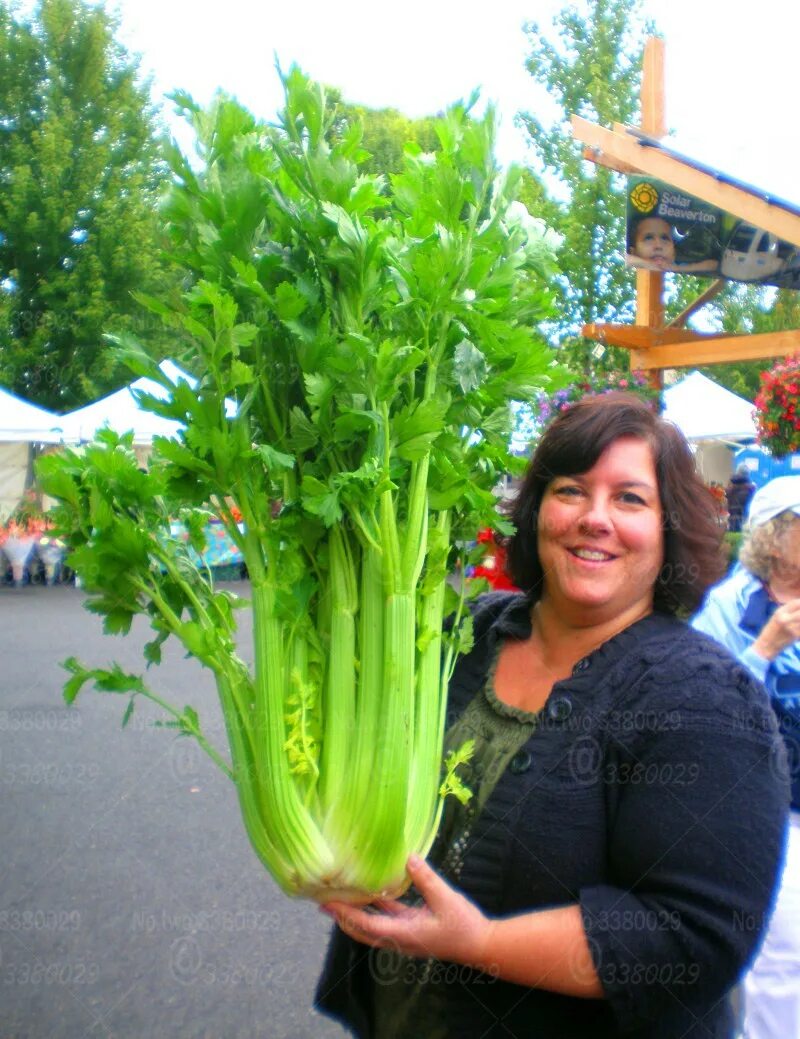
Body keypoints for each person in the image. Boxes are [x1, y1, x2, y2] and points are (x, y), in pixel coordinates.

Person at [315, 393, 790, 1039]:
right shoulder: (461, 635)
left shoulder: (706, 697)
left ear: (670, 526)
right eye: (570, 490)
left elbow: (697, 937)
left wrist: (480, 940)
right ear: (536, 509)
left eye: (630, 498)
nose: (595, 518)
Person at [692, 475, 800, 1039]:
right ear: (778, 536)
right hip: (768, 809)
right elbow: (703, 712)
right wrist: (763, 650)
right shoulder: (728, 608)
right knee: (782, 956)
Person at [626, 215, 719, 273]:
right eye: (649, 238)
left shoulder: (677, 266)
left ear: (673, 253)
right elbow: (627, 258)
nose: (658, 246)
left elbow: (713, 264)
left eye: (664, 238)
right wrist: (648, 264)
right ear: (634, 252)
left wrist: (677, 269)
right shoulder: (632, 265)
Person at [725, 465, 756, 533]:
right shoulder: (750, 488)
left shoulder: (730, 486)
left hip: (731, 518)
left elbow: (726, 497)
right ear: (747, 474)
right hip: (743, 520)